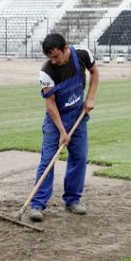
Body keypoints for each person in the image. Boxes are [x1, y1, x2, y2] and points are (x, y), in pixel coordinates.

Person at [29, 33, 99, 222]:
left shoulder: (83, 54)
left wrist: (90, 97)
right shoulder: (46, 72)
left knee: (79, 157)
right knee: (48, 160)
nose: (53, 60)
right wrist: (62, 131)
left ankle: (72, 200)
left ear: (65, 48)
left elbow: (94, 72)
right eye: (49, 57)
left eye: (56, 56)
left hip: (78, 115)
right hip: (55, 120)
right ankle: (37, 204)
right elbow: (50, 104)